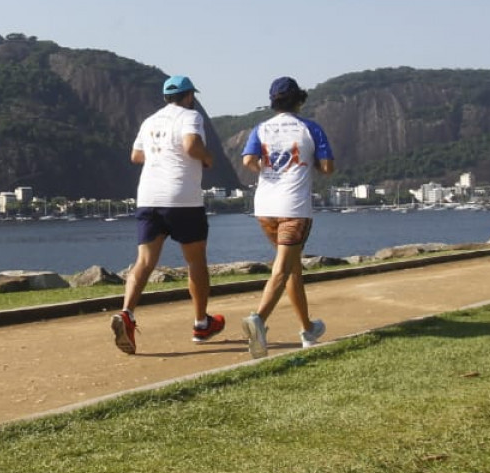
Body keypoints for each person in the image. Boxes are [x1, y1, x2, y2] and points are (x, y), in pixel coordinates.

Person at [110, 74, 225, 354]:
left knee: (144, 261)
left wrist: (160, 154)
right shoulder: (190, 116)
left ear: (165, 97)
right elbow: (191, 146)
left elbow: (136, 156)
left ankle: (127, 313)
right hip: (182, 199)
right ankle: (201, 324)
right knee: (195, 260)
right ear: (189, 96)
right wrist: (207, 157)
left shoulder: (149, 121)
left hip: (148, 197)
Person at [240, 76, 335, 358]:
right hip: (293, 208)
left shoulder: (261, 128)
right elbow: (327, 168)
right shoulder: (310, 128)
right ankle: (258, 319)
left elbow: (248, 160)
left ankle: (308, 330)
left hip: (265, 208)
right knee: (282, 270)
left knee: (292, 269)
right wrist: (308, 163)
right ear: (299, 100)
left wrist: (270, 171)